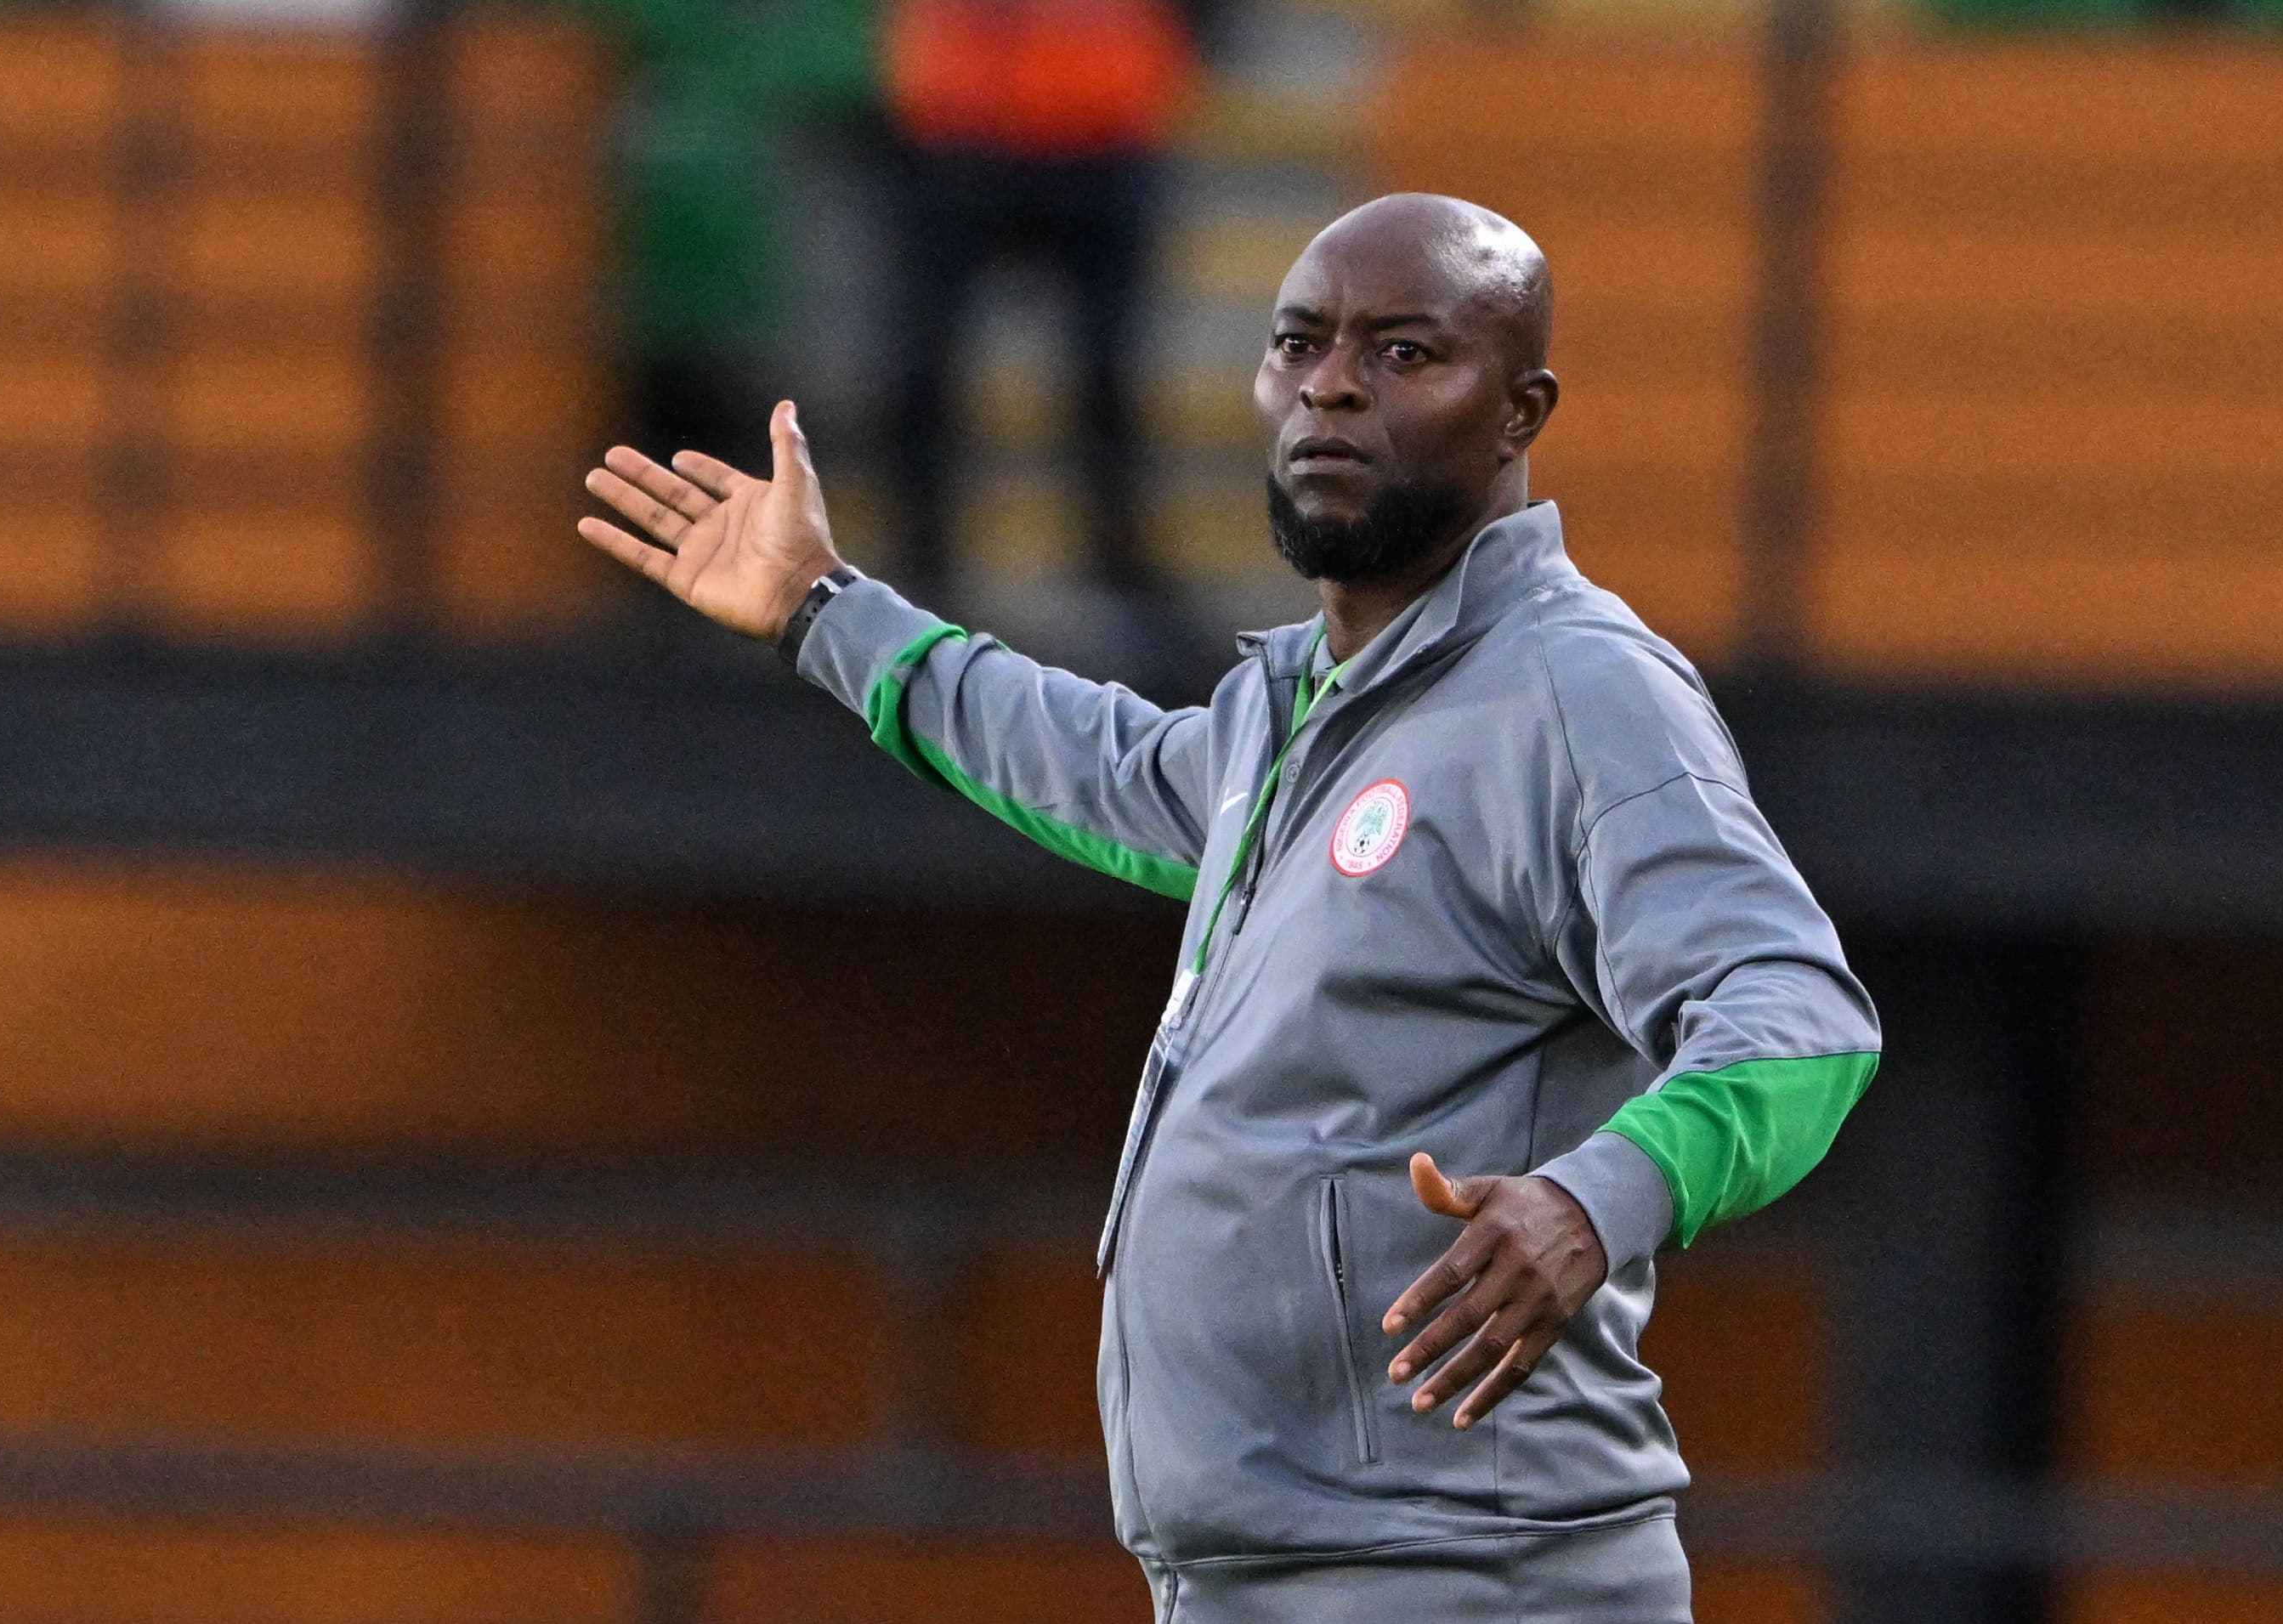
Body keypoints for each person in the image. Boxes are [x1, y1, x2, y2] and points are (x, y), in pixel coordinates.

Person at [577, 194, 1881, 1621]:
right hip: (1256, 1579)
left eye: (1402, 352)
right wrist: (826, 609)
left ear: (1521, 411)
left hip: (1467, 1585)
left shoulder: (1578, 690)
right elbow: (1096, 763)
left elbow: (1797, 1017)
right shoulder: (1293, 706)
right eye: (1299, 344)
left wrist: (1594, 1195)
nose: (1332, 385)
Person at [876, 0, 1212, 603]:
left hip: (1098, 115)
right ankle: (919, 557)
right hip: (962, 115)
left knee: (1109, 369)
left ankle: (1117, 557)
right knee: (924, 364)